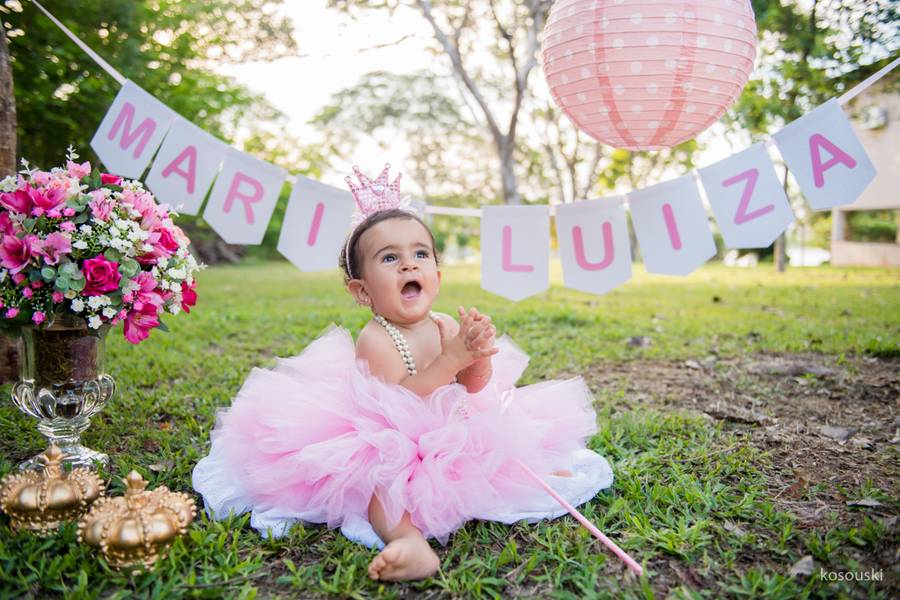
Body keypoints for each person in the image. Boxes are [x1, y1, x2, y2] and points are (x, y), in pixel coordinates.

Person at [192, 165, 614, 582]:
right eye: (389, 257)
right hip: (386, 439)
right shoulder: (376, 338)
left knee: (503, 447)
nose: (408, 266)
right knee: (381, 490)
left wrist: (477, 356)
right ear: (362, 290)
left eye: (420, 254)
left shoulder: (445, 324)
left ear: (437, 275)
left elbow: (471, 387)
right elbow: (400, 402)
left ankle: (530, 475)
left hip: (455, 428)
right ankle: (409, 541)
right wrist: (450, 359)